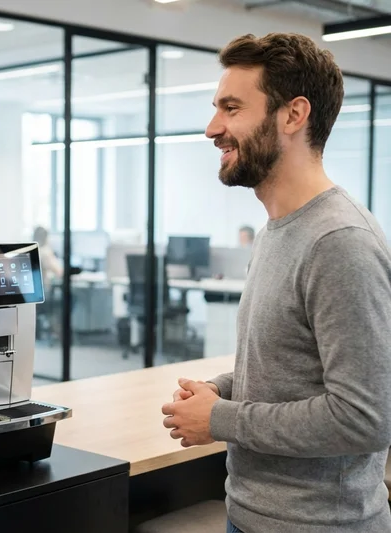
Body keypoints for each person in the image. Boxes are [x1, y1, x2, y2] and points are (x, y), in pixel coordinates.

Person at [161, 33, 391, 533]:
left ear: (293, 115)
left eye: (231, 108)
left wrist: (220, 419)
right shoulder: (277, 230)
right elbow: (289, 370)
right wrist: (217, 391)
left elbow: (365, 417)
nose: (212, 128)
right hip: (254, 516)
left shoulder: (340, 241)